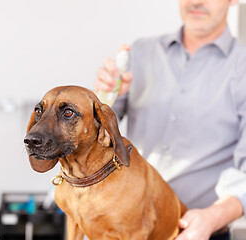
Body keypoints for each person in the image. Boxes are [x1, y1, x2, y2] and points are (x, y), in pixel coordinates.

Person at [94, 0, 246, 239]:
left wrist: (213, 218)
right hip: (128, 225)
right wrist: (106, 98)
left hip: (198, 230)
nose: (197, 2)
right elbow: (98, 137)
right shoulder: (140, 53)